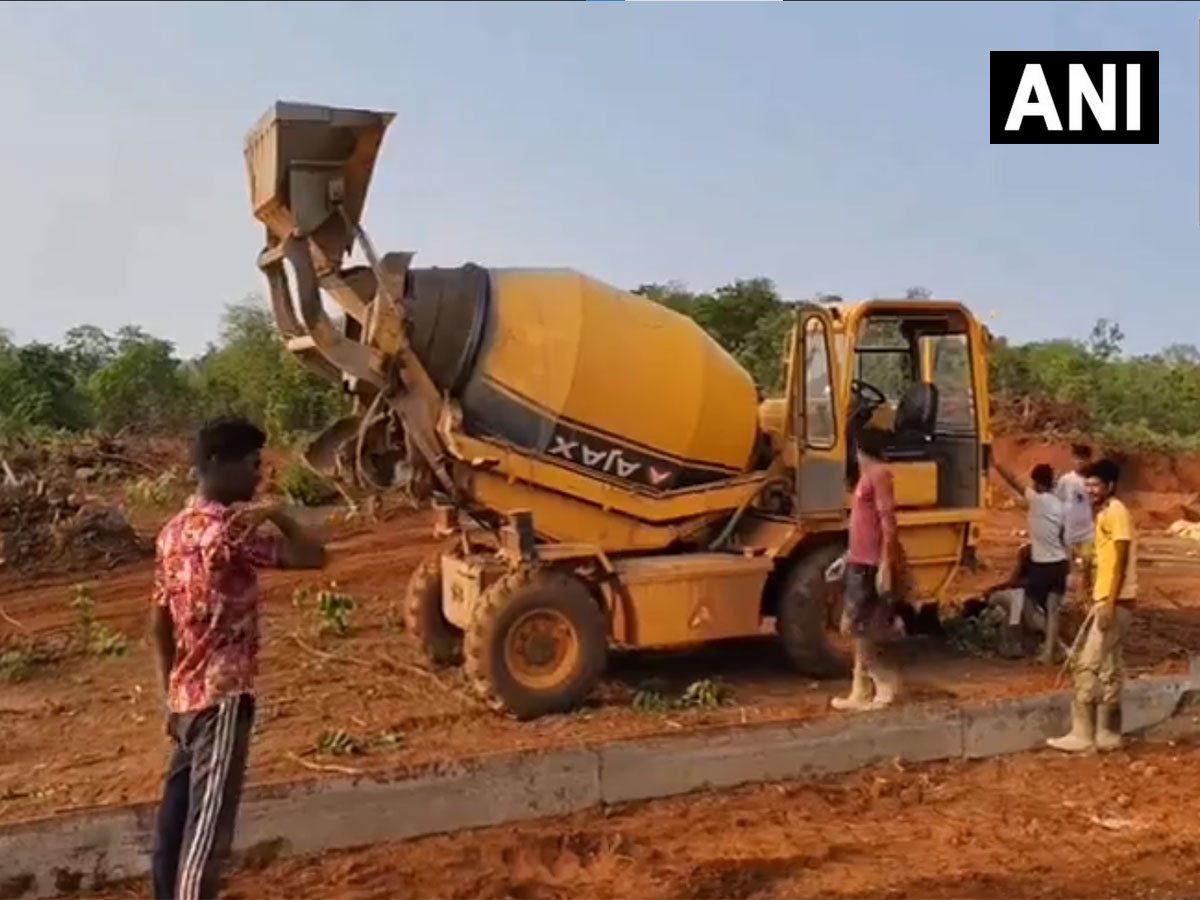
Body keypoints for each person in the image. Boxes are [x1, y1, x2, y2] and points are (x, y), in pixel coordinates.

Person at [150, 418, 326, 900]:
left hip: (186, 701)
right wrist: (281, 514)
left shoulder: (171, 533)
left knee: (173, 828)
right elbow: (315, 557)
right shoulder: (230, 532)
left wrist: (170, 696)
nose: (258, 476)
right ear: (216, 464)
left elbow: (158, 622)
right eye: (252, 464)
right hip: (223, 700)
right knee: (207, 834)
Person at [1047, 458, 1137, 754]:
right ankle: (1108, 735)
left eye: (1096, 484)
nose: (1090, 489)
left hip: (1116, 602)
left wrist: (1108, 603)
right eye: (1088, 485)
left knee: (1085, 666)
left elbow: (1121, 561)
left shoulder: (1117, 512)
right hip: (1108, 600)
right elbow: (1104, 561)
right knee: (1110, 669)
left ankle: (1082, 733)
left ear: (1110, 486)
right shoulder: (1104, 515)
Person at [831, 425, 903, 713]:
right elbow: (863, 524)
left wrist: (886, 562)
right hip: (858, 560)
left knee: (861, 627)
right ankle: (859, 688)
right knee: (857, 626)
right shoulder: (867, 477)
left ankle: (882, 686)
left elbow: (888, 522)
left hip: (870, 563)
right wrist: (846, 556)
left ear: (860, 449)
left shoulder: (879, 475)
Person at [993, 460, 1069, 664]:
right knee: (1053, 610)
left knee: (1027, 603)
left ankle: (1058, 647)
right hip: (1060, 563)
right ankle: (1050, 653)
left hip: (1043, 564)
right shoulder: (1061, 506)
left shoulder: (1037, 500)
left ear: (1038, 483)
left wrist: (994, 463)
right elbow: (1064, 536)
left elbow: (1013, 481)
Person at [1056, 443, 1096, 590]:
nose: (1079, 462)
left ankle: (1086, 596)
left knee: (1087, 566)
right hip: (1068, 533)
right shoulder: (1066, 480)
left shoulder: (1093, 482)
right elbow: (1058, 503)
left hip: (1088, 533)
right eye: (1077, 458)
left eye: (1083, 459)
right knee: (1068, 569)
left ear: (1089, 460)